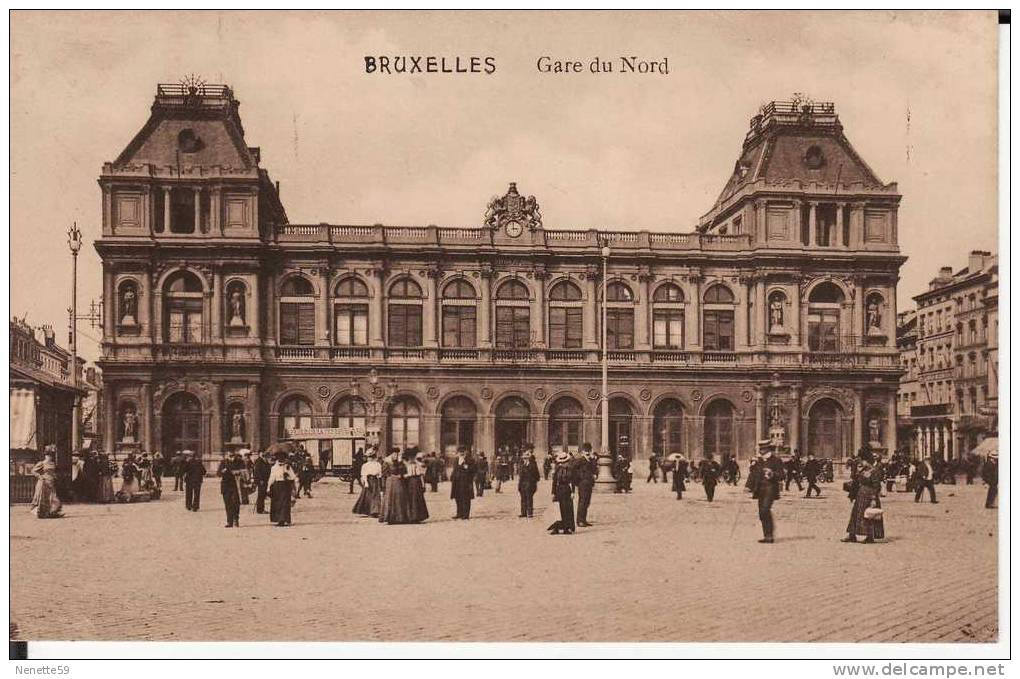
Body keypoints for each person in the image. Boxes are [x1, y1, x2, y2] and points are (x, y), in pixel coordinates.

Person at [842, 449, 885, 544]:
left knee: (868, 516)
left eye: (863, 460)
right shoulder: (863, 469)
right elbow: (857, 480)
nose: (861, 462)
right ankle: (852, 534)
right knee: (855, 515)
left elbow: (876, 486)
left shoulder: (874, 471)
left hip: (869, 495)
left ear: (867, 460)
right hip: (861, 495)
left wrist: (873, 499)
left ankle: (870, 536)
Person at [753, 441, 784, 544]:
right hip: (760, 489)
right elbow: (754, 474)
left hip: (770, 488)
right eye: (760, 449)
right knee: (761, 513)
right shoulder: (759, 460)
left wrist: (772, 474)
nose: (761, 450)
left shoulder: (776, 460)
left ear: (768, 449)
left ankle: (770, 536)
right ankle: (766, 535)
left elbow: (782, 475)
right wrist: (748, 487)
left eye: (763, 449)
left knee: (765, 510)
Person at [29, 447, 63, 519]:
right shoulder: (42, 463)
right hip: (44, 483)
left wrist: (55, 476)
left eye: (51, 455)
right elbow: (33, 471)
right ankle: (42, 513)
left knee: (53, 498)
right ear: (45, 456)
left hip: (51, 482)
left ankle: (52, 512)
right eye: (48, 455)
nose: (49, 457)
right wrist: (40, 476)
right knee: (44, 499)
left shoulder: (53, 463)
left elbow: (53, 472)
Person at [268, 448, 298, 527]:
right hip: (277, 486)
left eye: (282, 457)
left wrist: (288, 476)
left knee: (285, 503)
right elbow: (272, 478)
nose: (281, 459)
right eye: (279, 457)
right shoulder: (274, 467)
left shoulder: (287, 466)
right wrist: (268, 487)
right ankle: (279, 520)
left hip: (285, 486)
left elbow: (293, 477)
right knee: (277, 504)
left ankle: (285, 519)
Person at [548, 452, 576, 535]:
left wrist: (573, 492)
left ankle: (566, 528)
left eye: (564, 462)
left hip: (567, 489)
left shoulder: (571, 469)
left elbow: (573, 481)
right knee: (558, 510)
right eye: (562, 462)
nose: (563, 463)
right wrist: (553, 493)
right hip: (559, 490)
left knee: (567, 510)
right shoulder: (557, 469)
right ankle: (556, 528)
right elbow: (554, 481)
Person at [380, 449, 411, 524]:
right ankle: (390, 518)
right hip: (390, 482)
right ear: (391, 454)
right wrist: (383, 486)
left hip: (400, 482)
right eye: (394, 454)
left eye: (397, 454)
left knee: (400, 498)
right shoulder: (387, 462)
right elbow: (384, 474)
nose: (396, 456)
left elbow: (405, 471)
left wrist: (402, 475)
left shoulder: (400, 462)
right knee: (390, 499)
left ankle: (400, 518)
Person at [353, 448, 384, 517]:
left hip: (375, 480)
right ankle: (369, 510)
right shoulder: (365, 465)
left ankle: (375, 511)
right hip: (369, 480)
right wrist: (366, 482)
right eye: (370, 457)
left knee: (376, 496)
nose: (371, 459)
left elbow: (379, 474)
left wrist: (379, 481)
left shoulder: (378, 464)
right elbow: (364, 474)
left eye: (373, 457)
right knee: (368, 496)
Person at [450, 447, 476, 519]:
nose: (461, 453)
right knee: (457, 498)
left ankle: (466, 514)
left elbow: (473, 470)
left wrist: (467, 467)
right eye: (460, 452)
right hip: (456, 482)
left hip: (466, 482)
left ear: (465, 452)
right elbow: (454, 469)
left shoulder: (470, 460)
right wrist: (452, 477)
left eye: (462, 452)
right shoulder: (456, 460)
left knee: (466, 498)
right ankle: (459, 513)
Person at [217, 452, 241, 528]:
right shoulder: (223, 462)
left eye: (233, 456)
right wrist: (222, 471)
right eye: (230, 456)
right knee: (228, 504)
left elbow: (244, 471)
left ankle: (236, 519)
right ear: (227, 456)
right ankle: (229, 521)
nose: (232, 457)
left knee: (236, 503)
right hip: (226, 486)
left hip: (235, 485)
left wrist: (238, 472)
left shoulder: (239, 462)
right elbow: (218, 474)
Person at [574, 444, 596, 527]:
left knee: (587, 502)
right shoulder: (580, 460)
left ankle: (584, 519)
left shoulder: (590, 460)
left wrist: (593, 458)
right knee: (582, 502)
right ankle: (579, 520)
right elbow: (573, 469)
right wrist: (578, 480)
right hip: (582, 484)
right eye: (585, 451)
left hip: (589, 484)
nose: (587, 452)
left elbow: (594, 469)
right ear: (582, 451)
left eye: (588, 450)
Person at [518, 450, 540, 518]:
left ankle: (529, 513)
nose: (524, 459)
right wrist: (519, 485)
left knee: (529, 498)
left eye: (526, 458)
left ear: (529, 458)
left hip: (530, 484)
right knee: (523, 498)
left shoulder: (532, 465)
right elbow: (520, 476)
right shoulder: (522, 465)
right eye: (524, 458)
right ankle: (523, 512)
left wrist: (534, 482)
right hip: (523, 484)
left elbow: (537, 475)